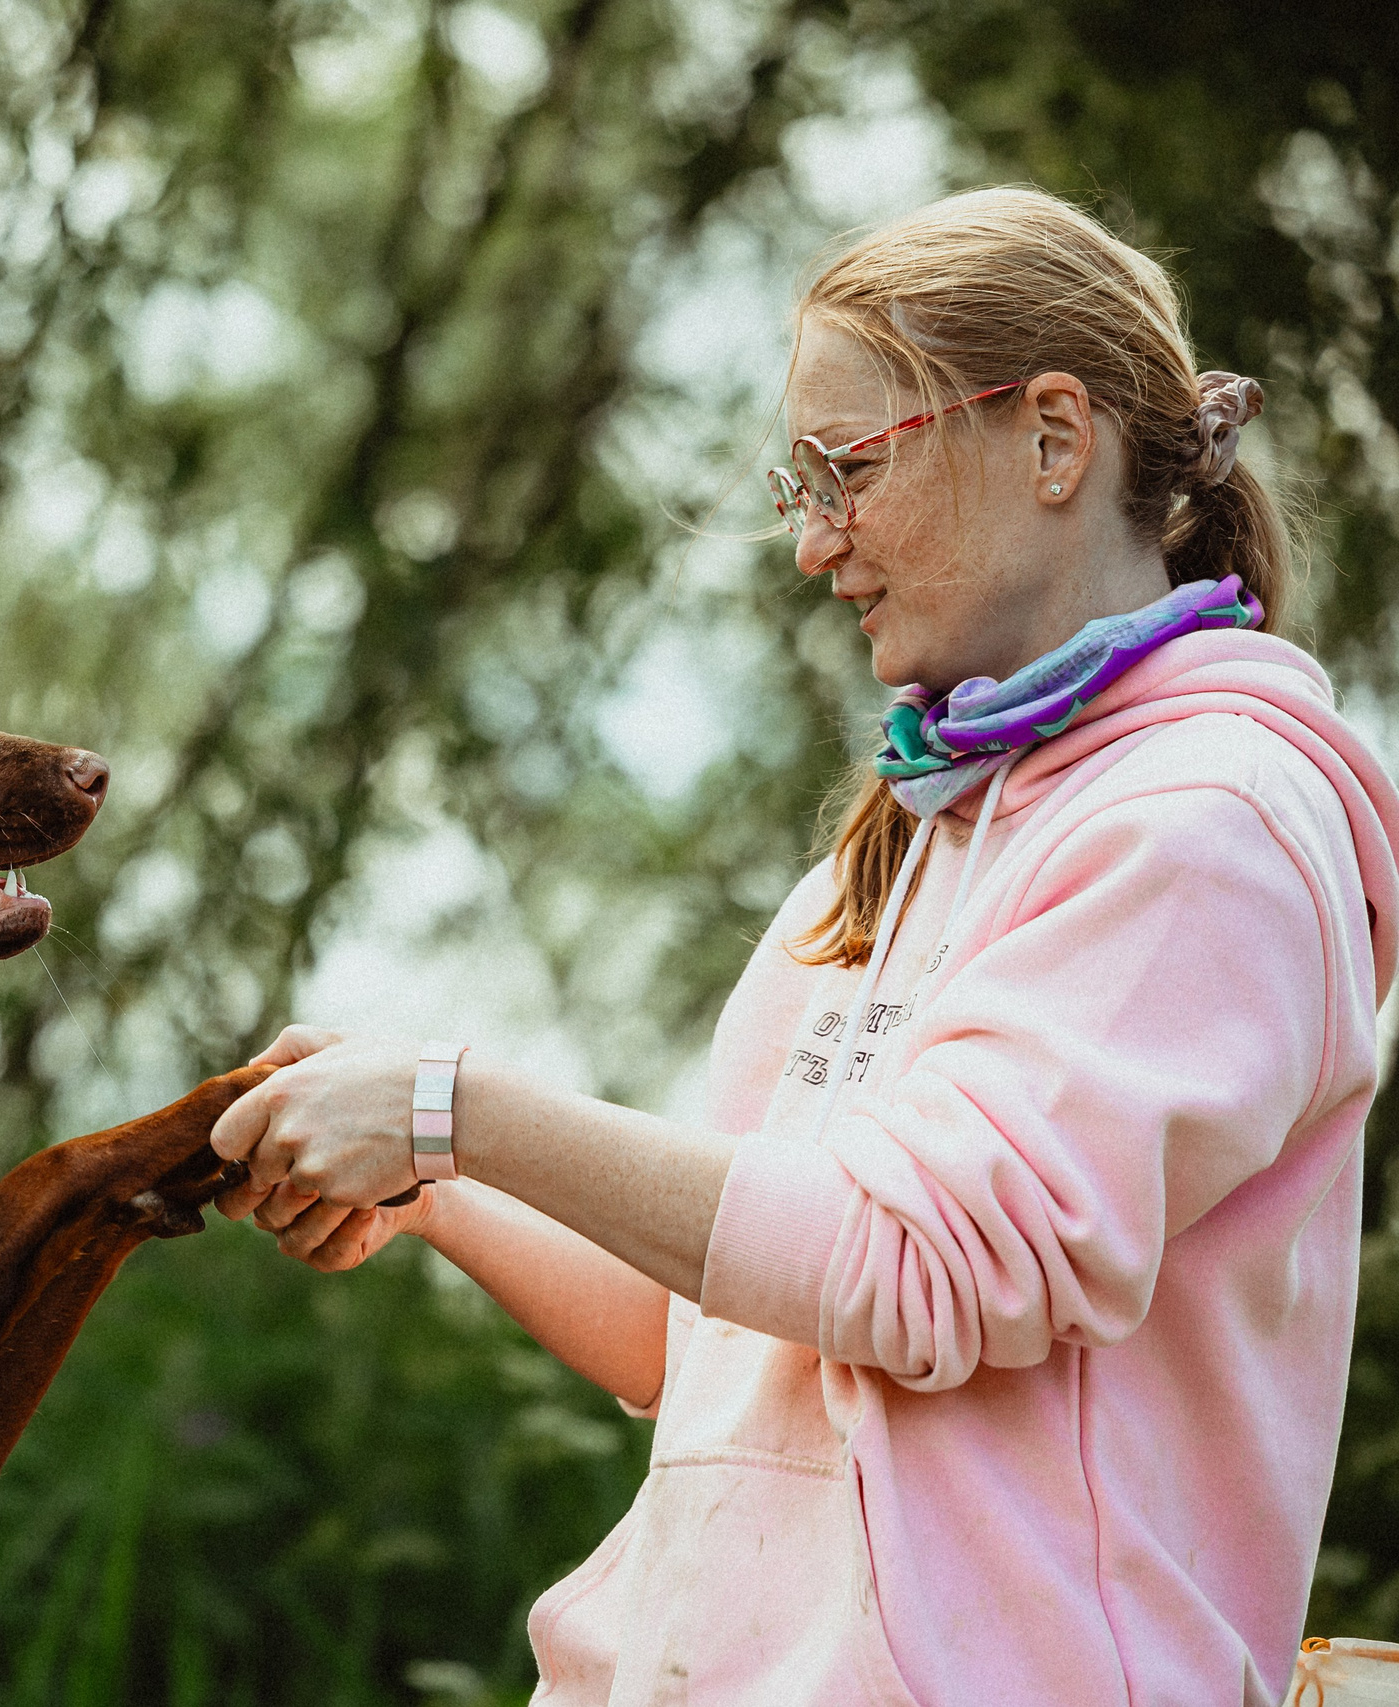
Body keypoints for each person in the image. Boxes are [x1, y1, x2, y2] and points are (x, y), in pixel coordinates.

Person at [208, 186, 1399, 1707]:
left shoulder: (1208, 822)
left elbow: (913, 1271)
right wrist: (435, 1179)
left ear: (1050, 437)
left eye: (848, 471)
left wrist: (449, 1101)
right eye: (802, 484)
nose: (813, 543)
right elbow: (703, 1325)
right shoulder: (896, 847)